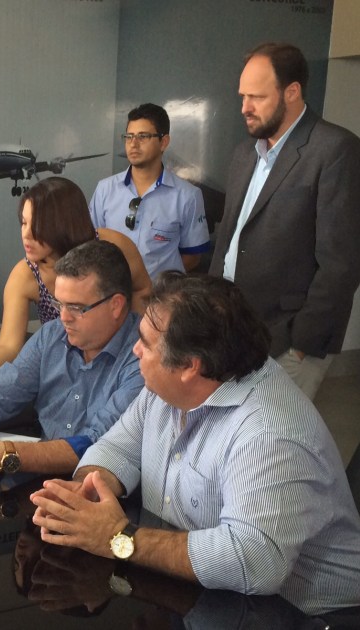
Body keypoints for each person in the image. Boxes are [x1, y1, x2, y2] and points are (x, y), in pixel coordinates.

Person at [30, 273, 360, 617]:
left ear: (189, 366)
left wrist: (119, 536)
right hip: (203, 592)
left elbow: (253, 562)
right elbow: (116, 447)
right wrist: (85, 498)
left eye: (145, 342)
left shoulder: (268, 433)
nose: (135, 349)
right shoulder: (167, 387)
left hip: (304, 614)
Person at [0, 241, 143, 481]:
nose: (63, 318)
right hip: (39, 475)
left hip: (104, 489)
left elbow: (98, 443)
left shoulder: (143, 356)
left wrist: (7, 454)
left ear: (116, 305)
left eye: (76, 308)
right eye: (59, 304)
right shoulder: (52, 336)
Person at [209, 42, 360, 399]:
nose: (244, 108)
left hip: (288, 340)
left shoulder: (335, 150)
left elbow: (342, 262)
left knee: (269, 446)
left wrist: (303, 341)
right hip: (232, 327)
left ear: (292, 92)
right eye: (242, 96)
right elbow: (231, 238)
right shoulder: (245, 153)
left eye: (257, 97)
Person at [0, 177, 151, 400]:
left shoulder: (113, 245)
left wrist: (134, 340)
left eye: (36, 226)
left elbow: (142, 291)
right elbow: (8, 347)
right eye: (24, 223)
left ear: (63, 224)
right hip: (65, 370)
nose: (26, 235)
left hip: (121, 360)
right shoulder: (25, 275)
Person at [89, 103, 209, 278]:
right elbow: (92, 244)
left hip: (159, 298)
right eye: (129, 136)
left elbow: (192, 256)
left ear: (164, 142)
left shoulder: (187, 196)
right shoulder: (105, 189)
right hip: (112, 295)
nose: (133, 144)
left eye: (143, 136)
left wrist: (153, 284)